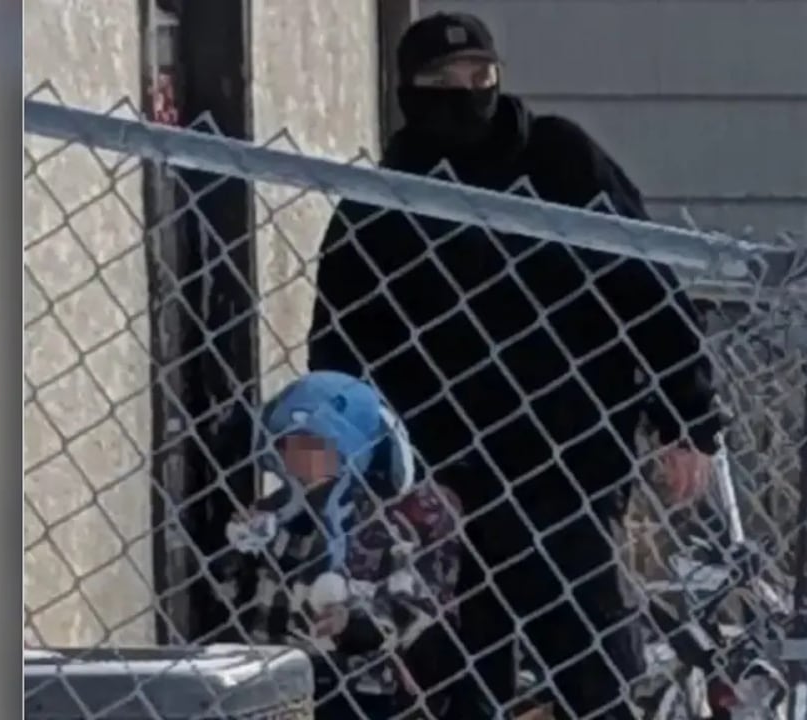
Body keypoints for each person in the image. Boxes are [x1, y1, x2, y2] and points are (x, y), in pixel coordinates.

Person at [306, 12, 724, 720]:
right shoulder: (382, 200)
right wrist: (340, 453)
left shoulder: (559, 161)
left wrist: (689, 417)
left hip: (565, 468)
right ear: (407, 90)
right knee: (456, 682)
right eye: (442, 81)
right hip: (442, 490)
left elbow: (644, 287)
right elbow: (341, 340)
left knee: (595, 677)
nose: (465, 92)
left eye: (480, 76)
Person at [219, 370, 464, 720]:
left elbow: (411, 603)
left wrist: (355, 623)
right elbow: (237, 590)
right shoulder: (278, 515)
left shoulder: (382, 523)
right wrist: (240, 550)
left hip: (352, 685)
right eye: (290, 443)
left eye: (315, 446)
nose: (299, 458)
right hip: (269, 671)